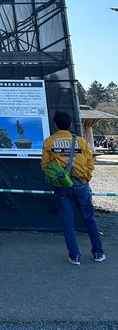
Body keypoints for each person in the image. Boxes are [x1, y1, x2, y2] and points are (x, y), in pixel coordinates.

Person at [41, 111, 105, 265]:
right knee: (89, 218)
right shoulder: (81, 142)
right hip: (81, 184)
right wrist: (86, 177)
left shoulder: (49, 142)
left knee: (67, 220)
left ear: (55, 124)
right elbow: (90, 163)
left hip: (61, 186)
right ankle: (98, 253)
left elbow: (45, 165)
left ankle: (75, 255)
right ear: (70, 124)